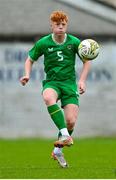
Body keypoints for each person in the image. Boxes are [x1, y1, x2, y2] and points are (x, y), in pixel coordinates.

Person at [20, 10, 91, 168]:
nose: (60, 27)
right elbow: (29, 59)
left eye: (63, 24)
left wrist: (82, 81)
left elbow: (87, 61)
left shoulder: (74, 42)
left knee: (71, 122)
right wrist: (26, 75)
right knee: (47, 97)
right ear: (51, 26)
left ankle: (58, 151)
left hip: (69, 84)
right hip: (52, 82)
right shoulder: (44, 43)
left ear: (66, 25)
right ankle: (65, 135)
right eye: (57, 24)